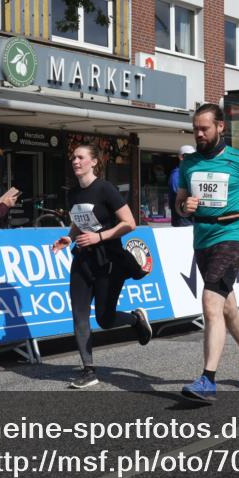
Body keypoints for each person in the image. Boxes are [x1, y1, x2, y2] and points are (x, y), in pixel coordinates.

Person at [175, 103, 239, 403]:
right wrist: (185, 207)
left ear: (220, 127)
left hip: (232, 234)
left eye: (204, 128)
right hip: (202, 237)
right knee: (227, 306)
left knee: (210, 303)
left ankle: (207, 380)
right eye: (195, 128)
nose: (199, 133)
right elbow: (180, 202)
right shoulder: (188, 164)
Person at [50, 144, 153, 389]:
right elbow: (79, 222)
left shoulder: (105, 189)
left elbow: (130, 223)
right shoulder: (73, 193)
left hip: (109, 260)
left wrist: (99, 237)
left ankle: (135, 320)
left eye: (80, 157)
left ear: (94, 162)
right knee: (79, 313)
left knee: (105, 319)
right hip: (83, 259)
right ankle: (89, 370)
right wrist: (70, 237)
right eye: (73, 157)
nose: (75, 161)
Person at [169, 144, 196, 227]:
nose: (192, 158)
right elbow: (180, 193)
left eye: (194, 156)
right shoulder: (176, 174)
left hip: (191, 219)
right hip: (182, 220)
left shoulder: (189, 172)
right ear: (181, 157)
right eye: (188, 155)